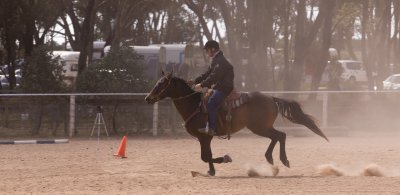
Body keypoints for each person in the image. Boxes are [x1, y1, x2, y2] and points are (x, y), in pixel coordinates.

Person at [189, 40, 234, 136]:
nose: (206, 52)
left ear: (213, 49)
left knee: (211, 102)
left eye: (207, 50)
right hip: (220, 87)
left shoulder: (220, 61)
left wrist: (202, 85)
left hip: (225, 88)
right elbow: (207, 74)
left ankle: (212, 128)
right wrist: (195, 81)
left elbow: (214, 77)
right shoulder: (216, 60)